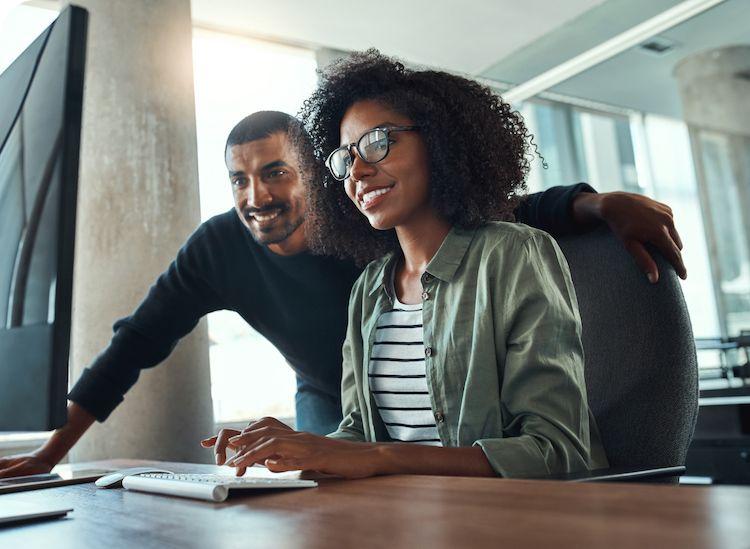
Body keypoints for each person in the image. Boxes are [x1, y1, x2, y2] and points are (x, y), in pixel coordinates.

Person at [0, 102, 681, 478]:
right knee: (319, 492)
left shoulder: (366, 215)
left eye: (275, 173)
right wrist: (54, 453)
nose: (256, 196)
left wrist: (595, 205)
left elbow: (491, 214)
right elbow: (135, 343)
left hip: (446, 392)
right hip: (335, 395)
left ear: (312, 178)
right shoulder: (217, 248)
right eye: (238, 180)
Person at [200, 52, 648, 479]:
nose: (357, 170)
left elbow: (558, 452)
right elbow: (358, 436)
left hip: (507, 522)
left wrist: (379, 458)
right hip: (402, 521)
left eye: (377, 143)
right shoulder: (369, 289)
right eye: (345, 157)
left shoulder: (513, 255)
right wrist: (291, 450)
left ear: (437, 141)